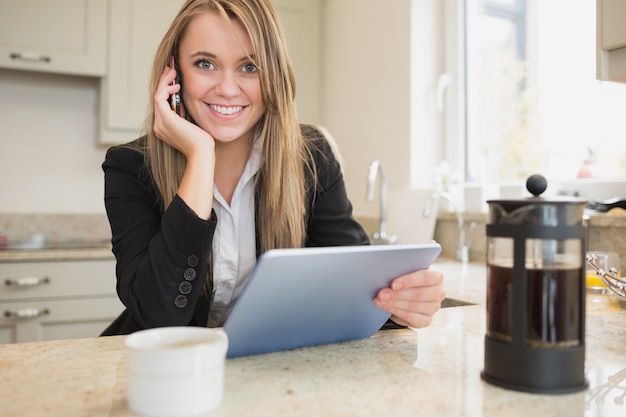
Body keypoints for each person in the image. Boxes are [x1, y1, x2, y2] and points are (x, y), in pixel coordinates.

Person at [100, 0, 445, 336]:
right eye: (205, 64)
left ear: (274, 76)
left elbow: (354, 291)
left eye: (249, 67)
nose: (228, 88)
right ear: (174, 74)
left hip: (266, 374)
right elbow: (158, 319)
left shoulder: (313, 156)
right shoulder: (130, 167)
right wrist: (200, 156)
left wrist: (400, 304)